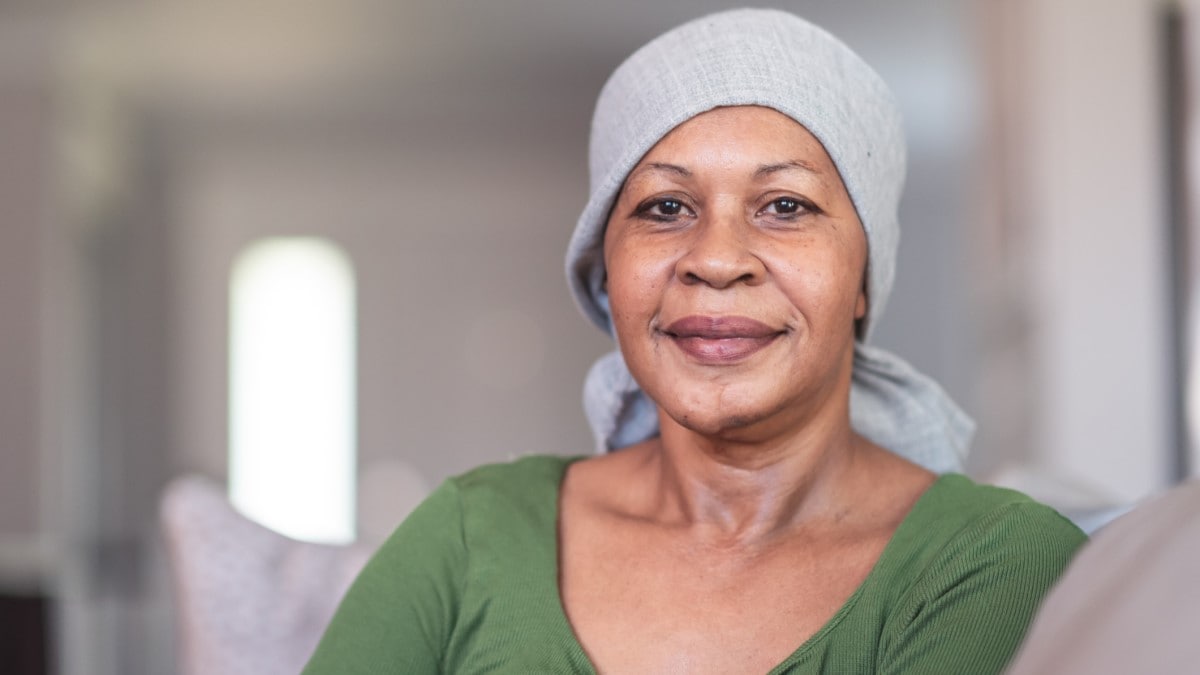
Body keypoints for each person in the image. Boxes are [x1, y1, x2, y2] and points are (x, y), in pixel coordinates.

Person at [304, 9, 1085, 674]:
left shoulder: (996, 562)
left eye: (785, 204)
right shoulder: (471, 535)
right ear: (605, 274)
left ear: (861, 279)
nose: (715, 258)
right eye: (664, 207)